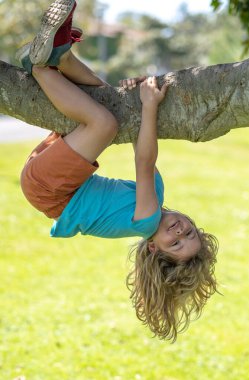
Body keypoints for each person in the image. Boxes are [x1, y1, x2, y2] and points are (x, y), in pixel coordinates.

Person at [16, 0, 218, 342]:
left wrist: (149, 106)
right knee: (108, 101)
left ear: (155, 249)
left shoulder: (148, 219)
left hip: (51, 188)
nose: (180, 231)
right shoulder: (151, 214)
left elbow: (144, 162)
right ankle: (60, 56)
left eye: (175, 242)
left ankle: (41, 68)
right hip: (53, 185)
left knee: (104, 123)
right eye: (191, 234)